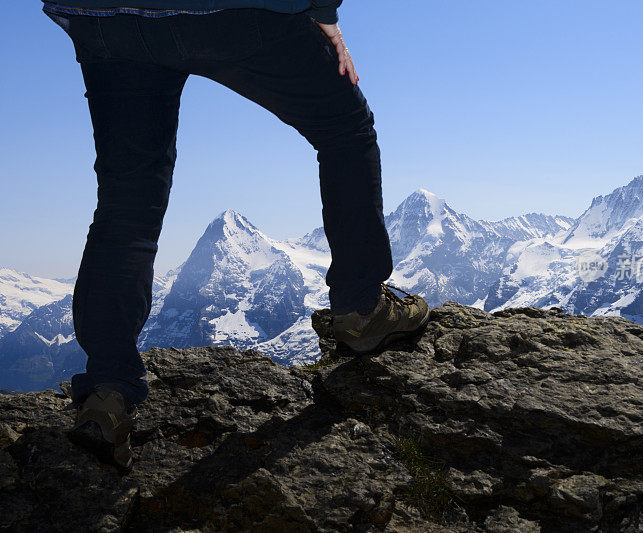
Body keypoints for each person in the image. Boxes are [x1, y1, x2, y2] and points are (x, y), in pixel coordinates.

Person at [41, 0, 431, 472]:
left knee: (128, 203)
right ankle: (361, 308)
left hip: (105, 22)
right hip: (231, 13)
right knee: (344, 130)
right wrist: (323, 11)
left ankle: (107, 390)